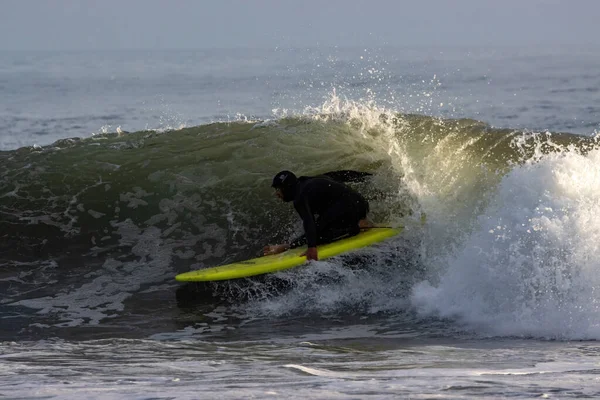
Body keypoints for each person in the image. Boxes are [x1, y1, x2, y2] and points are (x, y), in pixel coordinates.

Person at [263, 170, 373, 261]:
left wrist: (312, 247)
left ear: (287, 188)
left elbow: (308, 221)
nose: (276, 194)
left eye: (278, 189)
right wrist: (366, 176)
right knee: (319, 228)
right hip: (361, 203)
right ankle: (356, 221)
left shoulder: (299, 197)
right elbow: (339, 175)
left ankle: (357, 226)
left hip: (349, 210)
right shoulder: (308, 180)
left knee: (319, 237)